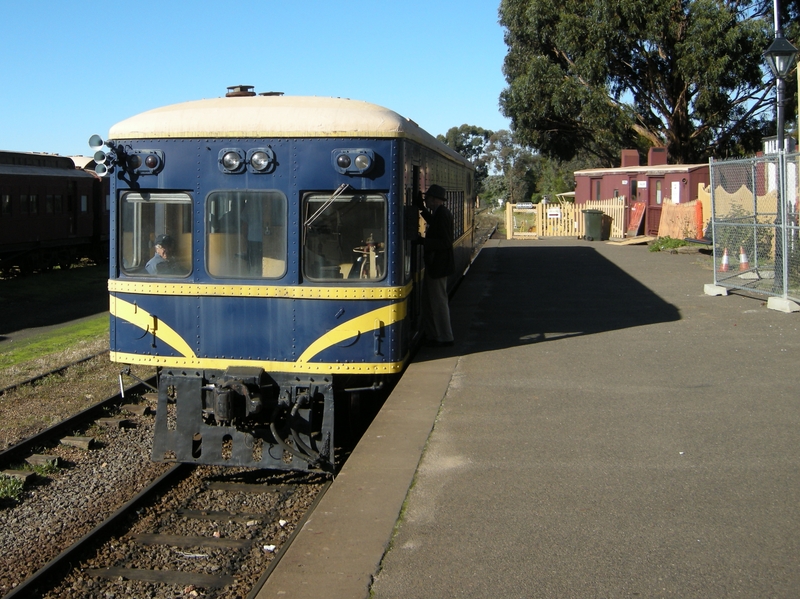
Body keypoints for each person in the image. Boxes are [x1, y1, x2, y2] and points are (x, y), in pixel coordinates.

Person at [414, 184, 455, 347]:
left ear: (434, 199)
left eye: (428, 199)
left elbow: (445, 242)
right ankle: (433, 334)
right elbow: (434, 224)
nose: (427, 202)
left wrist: (423, 242)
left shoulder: (442, 215)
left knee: (438, 303)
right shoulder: (439, 213)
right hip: (436, 265)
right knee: (429, 302)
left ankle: (445, 337)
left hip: (439, 265)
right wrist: (422, 210)